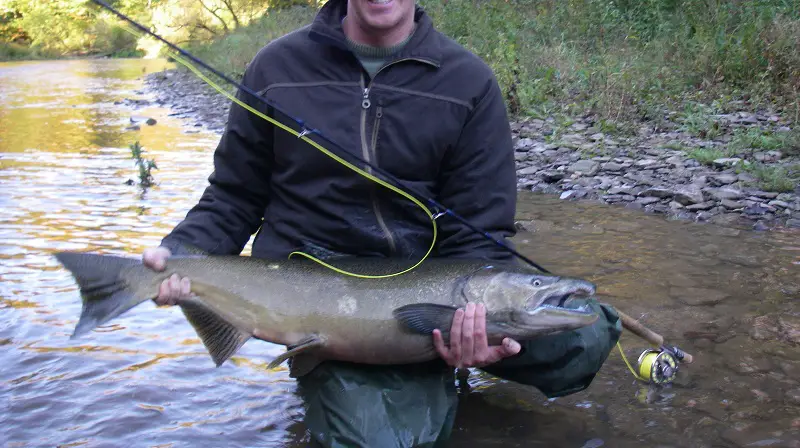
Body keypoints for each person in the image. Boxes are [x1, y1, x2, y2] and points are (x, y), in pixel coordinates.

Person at [143, 0, 622, 446]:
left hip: (433, 286)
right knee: (380, 441)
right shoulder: (275, 68)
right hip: (317, 303)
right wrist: (181, 252)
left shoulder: (468, 81)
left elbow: (481, 231)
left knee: (588, 332)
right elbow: (234, 196)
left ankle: (448, 367)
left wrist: (476, 337)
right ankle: (387, 380)